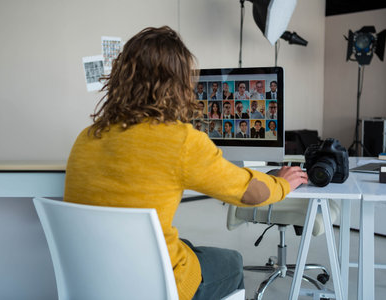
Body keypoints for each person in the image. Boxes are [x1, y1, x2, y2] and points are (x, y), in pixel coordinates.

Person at [64, 26, 307, 300]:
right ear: (176, 85)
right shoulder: (180, 140)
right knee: (232, 262)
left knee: (187, 245)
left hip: (95, 279)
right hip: (153, 284)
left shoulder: (86, 137)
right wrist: (282, 183)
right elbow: (251, 193)